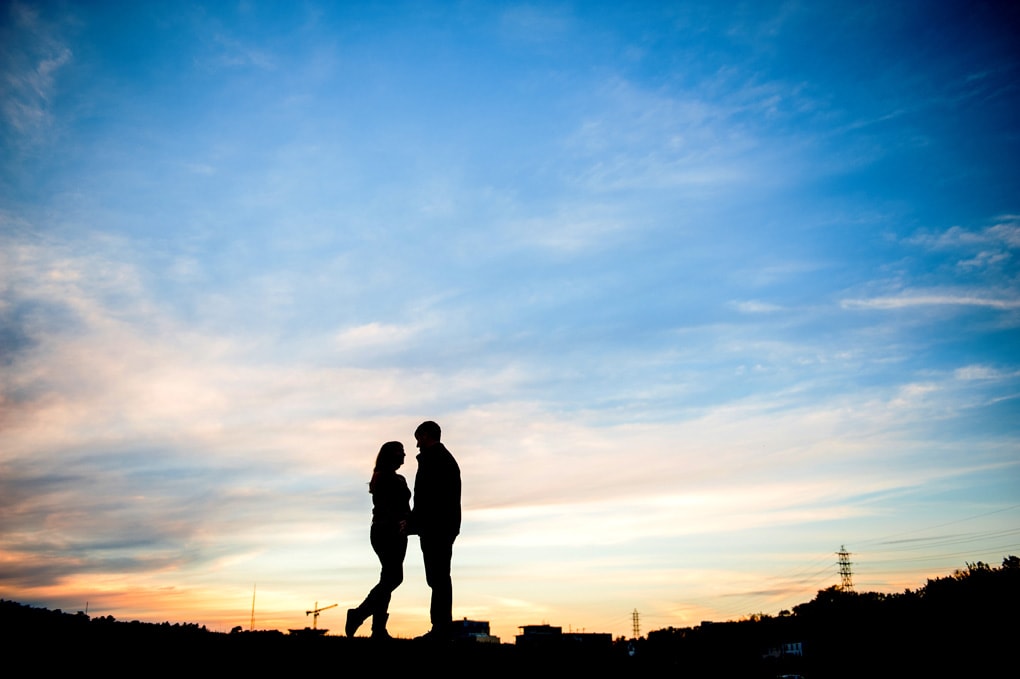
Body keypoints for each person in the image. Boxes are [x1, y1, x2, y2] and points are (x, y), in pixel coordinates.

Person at [346, 441, 410, 639]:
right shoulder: (383, 478)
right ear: (390, 455)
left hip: (397, 531)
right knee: (394, 578)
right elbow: (387, 506)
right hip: (386, 531)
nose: (404, 455)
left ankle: (378, 629)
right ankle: (358, 614)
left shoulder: (396, 478)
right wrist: (399, 523)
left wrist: (410, 524)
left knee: (388, 578)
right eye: (401, 452)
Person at [406, 420, 461, 640]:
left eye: (419, 439)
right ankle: (441, 627)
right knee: (438, 577)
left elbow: (429, 498)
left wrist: (413, 523)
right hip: (440, 526)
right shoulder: (440, 459)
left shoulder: (435, 461)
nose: (417, 445)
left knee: (438, 577)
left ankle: (440, 628)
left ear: (427, 436)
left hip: (437, 527)